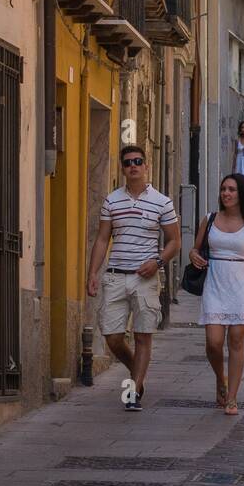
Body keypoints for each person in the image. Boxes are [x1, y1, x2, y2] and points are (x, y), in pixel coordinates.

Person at [86, 144, 181, 411]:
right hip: (115, 276)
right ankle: (136, 370)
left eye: (138, 161)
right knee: (112, 337)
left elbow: (175, 241)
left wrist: (158, 261)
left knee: (142, 337)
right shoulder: (112, 200)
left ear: (146, 165)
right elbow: (103, 238)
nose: (133, 166)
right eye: (128, 162)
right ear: (123, 168)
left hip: (145, 279)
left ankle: (133, 391)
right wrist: (93, 272)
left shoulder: (162, 202)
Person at [189, 173, 244, 416]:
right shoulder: (210, 219)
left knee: (236, 341)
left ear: (242, 193)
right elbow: (195, 249)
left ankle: (232, 397)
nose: (226, 193)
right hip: (214, 285)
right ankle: (219, 377)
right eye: (224, 189)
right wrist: (193, 255)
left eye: (232, 189)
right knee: (213, 343)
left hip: (241, 287)